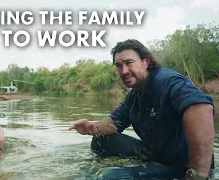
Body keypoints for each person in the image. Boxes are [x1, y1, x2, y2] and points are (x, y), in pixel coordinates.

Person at [69, 39, 215, 180]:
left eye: (129, 63)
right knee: (100, 140)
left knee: (107, 176)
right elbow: (115, 121)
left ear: (146, 62)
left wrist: (200, 174)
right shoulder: (134, 94)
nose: (124, 70)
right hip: (151, 152)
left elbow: (201, 107)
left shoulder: (166, 81)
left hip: (178, 163)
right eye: (119, 65)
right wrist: (92, 127)